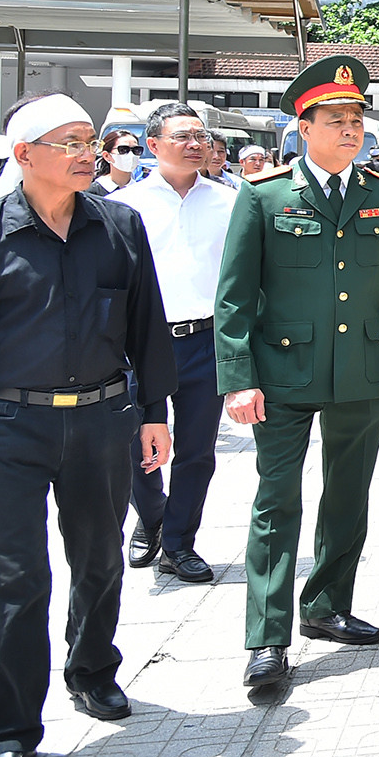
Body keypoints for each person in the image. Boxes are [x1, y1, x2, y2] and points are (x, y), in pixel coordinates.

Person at [214, 56, 379, 692]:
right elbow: (234, 297)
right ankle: (267, 637)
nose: (351, 131)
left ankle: (327, 605)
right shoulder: (264, 194)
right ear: (304, 127)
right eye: (336, 121)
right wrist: (237, 377)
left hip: (358, 367)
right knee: (277, 503)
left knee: (347, 497)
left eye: (357, 120)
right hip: (281, 372)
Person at [0, 93, 174, 757]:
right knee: (14, 577)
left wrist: (153, 412)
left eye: (89, 138)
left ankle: (92, 669)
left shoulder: (119, 225)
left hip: (102, 419)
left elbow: (145, 325)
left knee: (99, 556)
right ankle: (9, 727)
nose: (85, 150)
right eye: (67, 140)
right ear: (24, 154)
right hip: (9, 425)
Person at [109, 102, 237, 584]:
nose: (194, 144)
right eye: (182, 136)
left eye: (200, 136)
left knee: (197, 449)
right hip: (142, 342)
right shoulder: (125, 206)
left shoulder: (228, 202)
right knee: (138, 444)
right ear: (154, 145)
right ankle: (154, 515)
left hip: (206, 341)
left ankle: (179, 542)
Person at [95, 128, 140, 192]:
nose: (131, 154)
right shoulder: (92, 192)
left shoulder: (142, 191)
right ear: (107, 156)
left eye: (136, 150)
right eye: (123, 150)